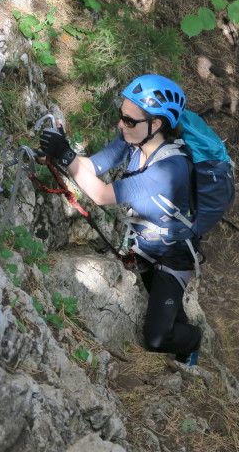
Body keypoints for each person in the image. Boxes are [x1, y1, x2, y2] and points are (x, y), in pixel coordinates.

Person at [39, 74, 202, 365]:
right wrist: (61, 150)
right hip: (145, 250)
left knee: (156, 338)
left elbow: (101, 194)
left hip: (171, 259)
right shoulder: (132, 141)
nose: (120, 125)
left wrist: (64, 156)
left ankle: (193, 340)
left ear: (156, 124)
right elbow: (92, 165)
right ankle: (178, 330)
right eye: (121, 116)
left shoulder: (169, 170)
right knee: (164, 307)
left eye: (129, 120)